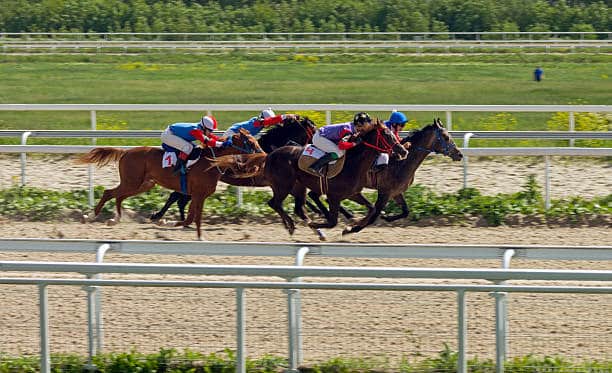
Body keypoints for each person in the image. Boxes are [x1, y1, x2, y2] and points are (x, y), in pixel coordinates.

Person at [308, 112, 371, 176]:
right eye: (367, 124)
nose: (368, 126)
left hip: (324, 135)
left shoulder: (353, 127)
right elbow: (341, 145)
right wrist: (354, 144)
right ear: (359, 124)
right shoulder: (348, 131)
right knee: (339, 152)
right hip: (319, 138)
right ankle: (315, 166)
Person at [161, 115, 231, 173]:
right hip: (168, 135)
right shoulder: (195, 130)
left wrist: (222, 140)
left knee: (193, 148)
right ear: (204, 128)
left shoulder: (201, 129)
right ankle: (178, 167)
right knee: (188, 147)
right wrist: (221, 144)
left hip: (174, 133)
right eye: (210, 130)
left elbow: (211, 136)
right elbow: (207, 141)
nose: (210, 132)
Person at [223, 108, 298, 138]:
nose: (270, 125)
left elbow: (274, 122)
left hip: (240, 136)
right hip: (232, 133)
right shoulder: (257, 122)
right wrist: (285, 116)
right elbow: (270, 121)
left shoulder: (261, 122)